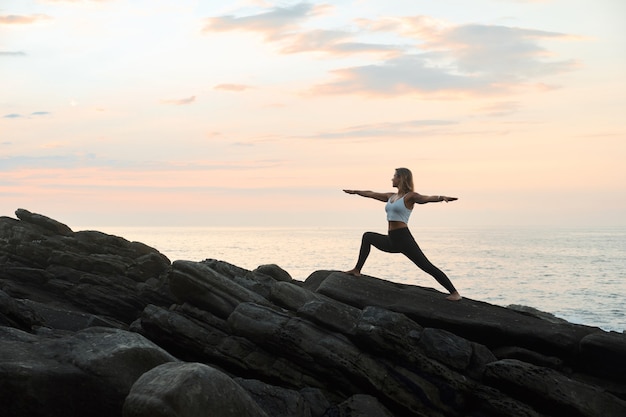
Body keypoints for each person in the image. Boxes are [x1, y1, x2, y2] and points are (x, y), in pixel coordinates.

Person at [343, 167, 462, 301]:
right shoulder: (390, 196)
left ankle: (454, 293)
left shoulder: (410, 196)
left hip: (404, 239)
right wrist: (355, 192)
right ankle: (357, 270)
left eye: (394, 176)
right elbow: (371, 193)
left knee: (426, 266)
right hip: (392, 239)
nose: (392, 179)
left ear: (402, 178)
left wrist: (441, 198)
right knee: (368, 236)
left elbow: (425, 198)